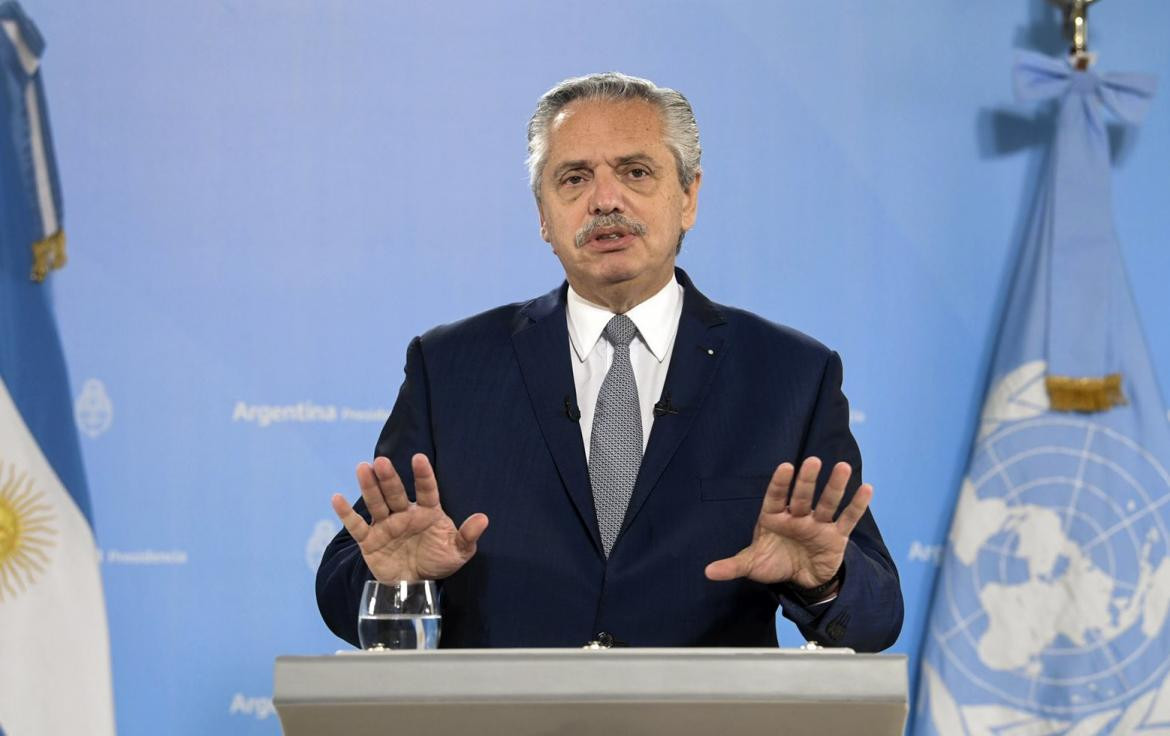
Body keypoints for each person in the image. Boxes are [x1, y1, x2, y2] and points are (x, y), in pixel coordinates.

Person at [316, 72, 902, 650]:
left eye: (635, 171)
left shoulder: (791, 374)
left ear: (689, 196)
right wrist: (396, 580)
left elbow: (876, 616)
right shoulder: (448, 368)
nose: (604, 200)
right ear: (544, 216)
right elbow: (348, 581)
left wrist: (825, 581)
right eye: (573, 179)